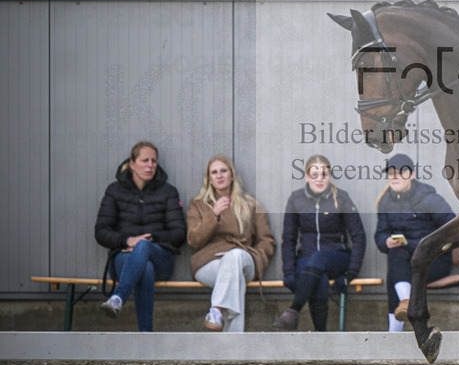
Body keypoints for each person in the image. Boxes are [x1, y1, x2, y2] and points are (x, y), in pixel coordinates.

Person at [94, 141, 186, 331]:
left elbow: (179, 234)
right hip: (122, 259)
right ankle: (146, 336)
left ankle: (119, 296)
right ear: (132, 164)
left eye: (154, 161)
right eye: (145, 160)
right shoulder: (114, 191)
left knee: (144, 247)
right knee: (146, 268)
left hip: (161, 258)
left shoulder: (168, 192)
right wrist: (127, 241)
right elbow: (101, 231)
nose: (150, 165)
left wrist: (149, 239)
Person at [273, 155, 367, 331]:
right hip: (306, 260)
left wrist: (350, 274)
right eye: (314, 174)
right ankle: (321, 337)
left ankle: (294, 309)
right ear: (306, 176)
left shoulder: (341, 198)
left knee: (319, 257)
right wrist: (289, 272)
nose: (319, 179)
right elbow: (289, 239)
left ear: (330, 176)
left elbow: (359, 236)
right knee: (320, 280)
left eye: (324, 174)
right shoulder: (296, 199)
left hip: (337, 257)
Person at [187, 154, 275, 332]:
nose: (219, 175)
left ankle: (216, 310)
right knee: (236, 278)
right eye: (214, 172)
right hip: (209, 262)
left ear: (232, 175)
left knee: (234, 257)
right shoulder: (198, 205)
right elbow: (194, 240)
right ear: (209, 179)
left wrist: (258, 259)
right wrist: (214, 216)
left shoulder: (251, 205)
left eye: (223, 171)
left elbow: (267, 240)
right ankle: (233, 345)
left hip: (243, 258)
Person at [374, 153, 456, 332]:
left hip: (434, 261)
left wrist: (415, 245)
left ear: (411, 174)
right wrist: (385, 241)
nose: (394, 177)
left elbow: (452, 228)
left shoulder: (430, 199)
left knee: (396, 274)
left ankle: (396, 327)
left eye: (400, 173)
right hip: (405, 260)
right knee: (396, 258)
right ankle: (406, 304)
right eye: (390, 173)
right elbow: (380, 234)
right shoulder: (385, 202)